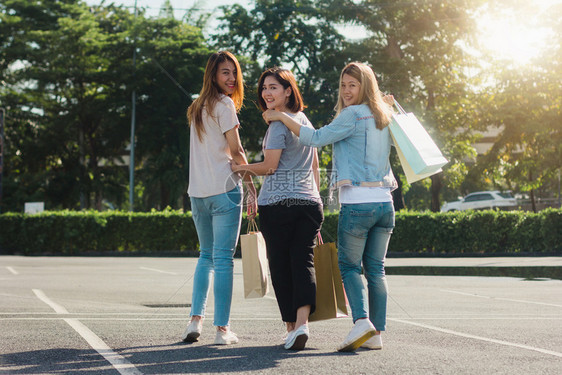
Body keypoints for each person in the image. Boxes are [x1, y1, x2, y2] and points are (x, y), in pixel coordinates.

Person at [263, 62, 396, 352]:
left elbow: (315, 138)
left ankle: (361, 321)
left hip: (358, 203)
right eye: (344, 85)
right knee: (376, 270)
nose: (347, 91)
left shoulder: (351, 115)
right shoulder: (384, 114)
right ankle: (376, 333)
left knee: (349, 266)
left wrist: (280, 117)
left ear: (365, 87)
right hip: (386, 203)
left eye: (353, 85)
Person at [231, 67, 323, 350]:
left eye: (273, 87)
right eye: (264, 88)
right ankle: (301, 325)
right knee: (303, 261)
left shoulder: (277, 126)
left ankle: (291, 328)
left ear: (287, 91)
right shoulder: (302, 120)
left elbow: (269, 167)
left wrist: (239, 167)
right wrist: (317, 199)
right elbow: (315, 164)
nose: (267, 93)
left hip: (278, 206)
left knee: (282, 267)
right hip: (309, 204)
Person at [183, 51, 257, 345]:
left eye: (234, 73)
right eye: (225, 72)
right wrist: (251, 186)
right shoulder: (225, 105)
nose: (231, 79)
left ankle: (194, 321)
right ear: (213, 75)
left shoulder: (196, 107)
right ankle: (222, 329)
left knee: (206, 256)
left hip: (198, 194)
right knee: (224, 260)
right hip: (224, 191)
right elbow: (237, 151)